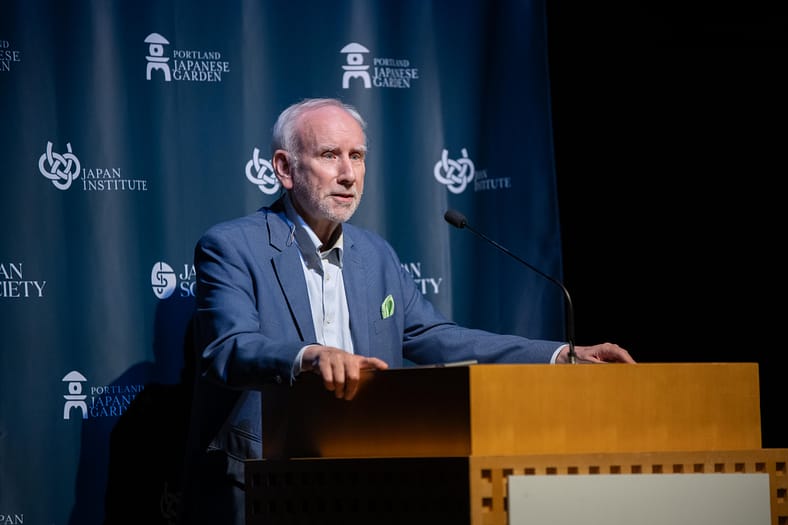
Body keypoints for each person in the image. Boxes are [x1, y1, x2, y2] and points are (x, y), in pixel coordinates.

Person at [176, 97, 635, 525]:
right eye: (330, 155)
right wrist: (311, 355)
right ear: (284, 168)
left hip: (371, 479)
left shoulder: (375, 254)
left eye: (356, 157)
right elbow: (227, 349)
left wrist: (559, 356)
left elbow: (438, 336)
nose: (348, 174)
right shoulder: (232, 246)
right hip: (264, 481)